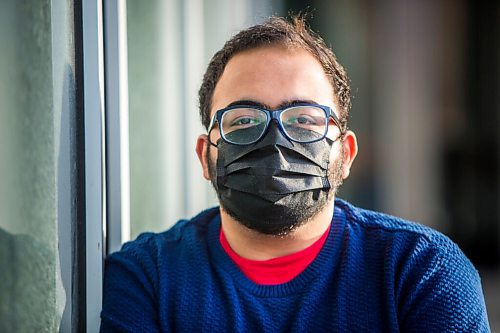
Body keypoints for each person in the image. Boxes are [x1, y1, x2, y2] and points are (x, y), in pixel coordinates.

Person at [100, 15, 490, 332]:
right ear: (205, 157)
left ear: (346, 154)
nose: (274, 141)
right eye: (243, 121)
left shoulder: (420, 272)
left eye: (304, 120)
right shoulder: (147, 278)